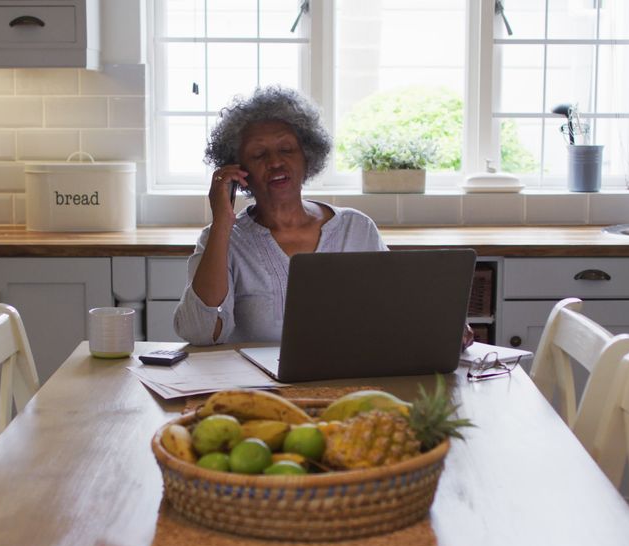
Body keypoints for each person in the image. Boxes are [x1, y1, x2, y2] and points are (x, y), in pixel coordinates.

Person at [173, 85, 474, 349]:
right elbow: (201, 334)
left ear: (307, 156)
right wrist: (222, 222)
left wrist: (441, 327)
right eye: (259, 154)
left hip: (347, 382)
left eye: (286, 149)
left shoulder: (355, 229)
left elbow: (392, 310)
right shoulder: (222, 240)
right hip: (259, 394)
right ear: (240, 171)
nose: (276, 162)